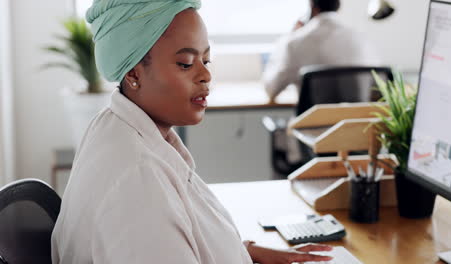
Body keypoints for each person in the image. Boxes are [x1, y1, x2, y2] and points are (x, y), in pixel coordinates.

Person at [51, 0, 334, 263]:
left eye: (206, 61)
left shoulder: (117, 126)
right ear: (133, 74)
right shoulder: (137, 183)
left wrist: (246, 252)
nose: (205, 75)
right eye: (185, 63)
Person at [263, 0, 381, 102]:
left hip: (312, 125)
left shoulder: (294, 42)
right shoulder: (362, 38)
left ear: (311, 5)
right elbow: (380, 88)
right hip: (354, 124)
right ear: (338, 6)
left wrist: (284, 43)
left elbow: (271, 89)